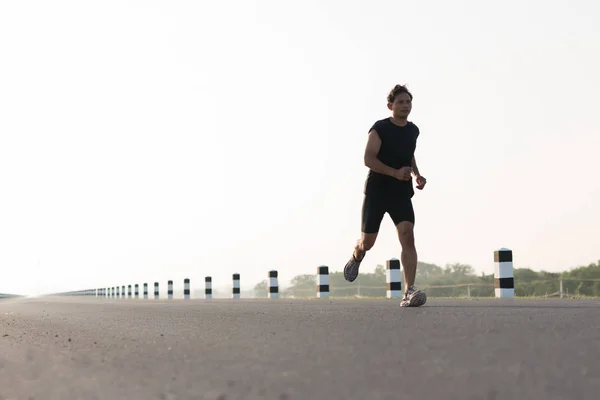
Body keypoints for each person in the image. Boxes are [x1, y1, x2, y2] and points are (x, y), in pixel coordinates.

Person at [344, 84, 427, 307]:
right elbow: (368, 159)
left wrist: (417, 175)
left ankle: (409, 291)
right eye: (400, 102)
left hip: (401, 192)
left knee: (407, 233)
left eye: (408, 101)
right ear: (390, 106)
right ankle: (357, 254)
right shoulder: (380, 128)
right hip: (377, 191)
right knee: (368, 242)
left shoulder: (413, 130)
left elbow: (409, 155)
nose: (405, 105)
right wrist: (394, 172)